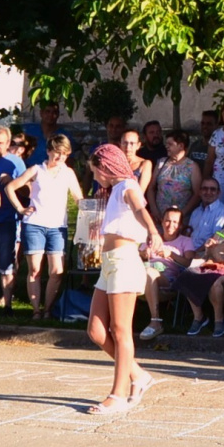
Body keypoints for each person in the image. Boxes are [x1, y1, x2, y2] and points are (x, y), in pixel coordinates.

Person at [85, 143, 159, 415]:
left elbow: (140, 208)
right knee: (96, 331)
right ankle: (139, 375)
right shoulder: (115, 190)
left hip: (125, 262)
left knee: (120, 329)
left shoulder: (128, 185)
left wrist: (153, 232)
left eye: (96, 171)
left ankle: (117, 395)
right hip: (109, 264)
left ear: (105, 168)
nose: (94, 177)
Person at [10, 134, 85, 320]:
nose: (60, 158)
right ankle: (36, 310)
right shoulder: (36, 169)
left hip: (58, 227)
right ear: (49, 151)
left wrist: (89, 211)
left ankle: (48, 309)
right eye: (57, 153)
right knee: (35, 269)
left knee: (57, 271)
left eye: (64, 154)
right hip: (35, 223)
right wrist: (20, 208)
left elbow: (78, 197)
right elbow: (10, 187)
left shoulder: (68, 172)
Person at [176, 196, 224, 337]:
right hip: (215, 268)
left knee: (215, 280)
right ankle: (199, 316)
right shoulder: (220, 234)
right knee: (187, 275)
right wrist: (208, 248)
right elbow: (208, 258)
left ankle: (219, 320)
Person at [0, 125, 27, 309]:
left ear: (8, 143)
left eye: (1, 143)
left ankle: (7, 300)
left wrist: (12, 181)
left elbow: (28, 191)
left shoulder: (16, 162)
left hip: (8, 218)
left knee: (7, 258)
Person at [140, 206, 197, 342]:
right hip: (144, 275)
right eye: (167, 221)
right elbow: (139, 253)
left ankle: (155, 321)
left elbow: (188, 263)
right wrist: (143, 254)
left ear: (180, 225)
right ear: (161, 221)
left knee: (150, 273)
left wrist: (171, 254)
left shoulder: (185, 241)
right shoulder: (152, 239)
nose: (170, 225)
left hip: (169, 280)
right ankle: (116, 320)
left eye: (175, 222)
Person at [150, 131, 201, 222]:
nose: (166, 146)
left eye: (170, 144)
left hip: (180, 220)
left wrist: (182, 213)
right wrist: (154, 210)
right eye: (166, 144)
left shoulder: (192, 167)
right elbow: (151, 188)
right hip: (160, 217)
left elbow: (197, 194)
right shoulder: (161, 163)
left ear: (181, 146)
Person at [21, 101, 65, 167]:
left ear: (58, 115)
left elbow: (69, 158)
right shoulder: (29, 131)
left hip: (51, 172)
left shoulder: (63, 135)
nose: (51, 115)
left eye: (54, 112)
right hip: (27, 170)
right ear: (41, 113)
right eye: (47, 111)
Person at [186, 179, 224, 243]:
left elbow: (216, 238)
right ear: (200, 192)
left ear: (218, 193)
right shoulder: (196, 212)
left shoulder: (223, 212)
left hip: (208, 251)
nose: (208, 192)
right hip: (189, 250)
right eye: (205, 189)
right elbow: (188, 234)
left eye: (212, 189)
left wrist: (197, 251)